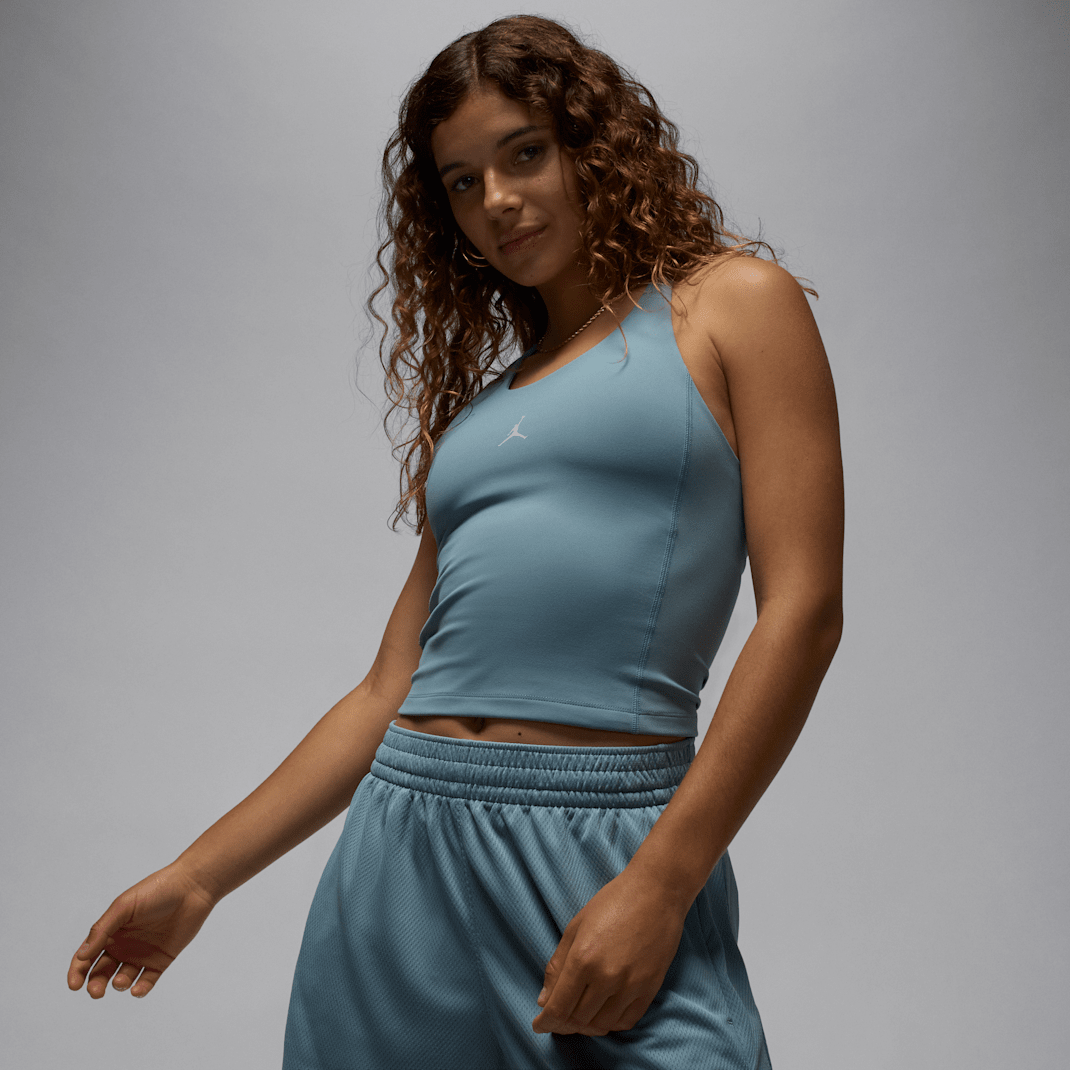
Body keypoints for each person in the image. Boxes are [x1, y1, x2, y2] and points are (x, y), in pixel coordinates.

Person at [68, 15, 843, 1070]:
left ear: (592, 144)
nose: (498, 201)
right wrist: (200, 876)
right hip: (403, 849)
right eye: (463, 182)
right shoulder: (483, 417)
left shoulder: (730, 306)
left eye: (524, 153)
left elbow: (803, 611)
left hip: (606, 842)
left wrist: (663, 882)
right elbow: (387, 686)